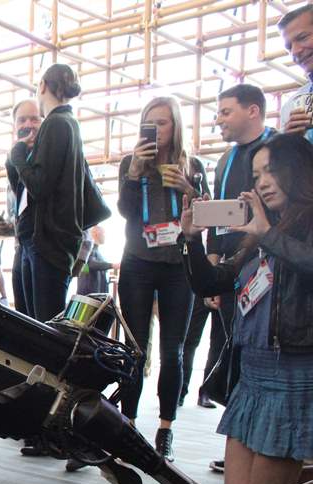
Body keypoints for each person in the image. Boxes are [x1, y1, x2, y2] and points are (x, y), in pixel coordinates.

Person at [178, 134, 313, 484]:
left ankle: (278, 482)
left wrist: (268, 233)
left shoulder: (288, 226)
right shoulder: (259, 231)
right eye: (257, 174)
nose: (263, 181)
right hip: (253, 376)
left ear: (298, 169)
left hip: (292, 375)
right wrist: (191, 240)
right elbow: (213, 282)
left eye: (271, 170)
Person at [8, 65, 107, 468]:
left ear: (44, 86)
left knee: (48, 337)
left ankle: (62, 428)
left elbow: (42, 184)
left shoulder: (58, 125)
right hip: (42, 239)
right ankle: (48, 425)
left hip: (47, 242)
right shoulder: (64, 127)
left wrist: (18, 155)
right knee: (41, 329)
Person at [116, 96, 208, 461]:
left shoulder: (193, 164)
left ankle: (166, 429)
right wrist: (134, 174)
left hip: (177, 266)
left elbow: (206, 215)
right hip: (137, 262)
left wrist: (188, 188)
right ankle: (127, 425)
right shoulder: (130, 162)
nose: (156, 129)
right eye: (149, 122)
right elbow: (124, 212)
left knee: (174, 351)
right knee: (134, 349)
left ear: (177, 126)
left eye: (163, 122)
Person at [181, 85, 274, 417]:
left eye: (225, 111)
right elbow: (221, 221)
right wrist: (213, 259)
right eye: (217, 112)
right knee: (234, 348)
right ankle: (236, 430)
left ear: (253, 111)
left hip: (272, 267)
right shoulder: (224, 160)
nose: (218, 119)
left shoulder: (278, 149)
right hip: (232, 270)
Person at [6, 99, 42, 317]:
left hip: (44, 246)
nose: (28, 125)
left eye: (34, 119)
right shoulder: (16, 160)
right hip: (22, 246)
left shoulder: (52, 158)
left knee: (43, 319)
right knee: (23, 315)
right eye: (22, 120)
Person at [278, 5, 313, 141]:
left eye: (302, 38)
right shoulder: (291, 107)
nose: (295, 51)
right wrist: (290, 143)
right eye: (289, 47)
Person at [76, 224, 115, 295]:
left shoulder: (97, 252)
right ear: (96, 233)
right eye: (103, 233)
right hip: (87, 294)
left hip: (96, 294)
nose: (105, 236)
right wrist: (113, 265)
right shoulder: (87, 250)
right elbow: (91, 264)